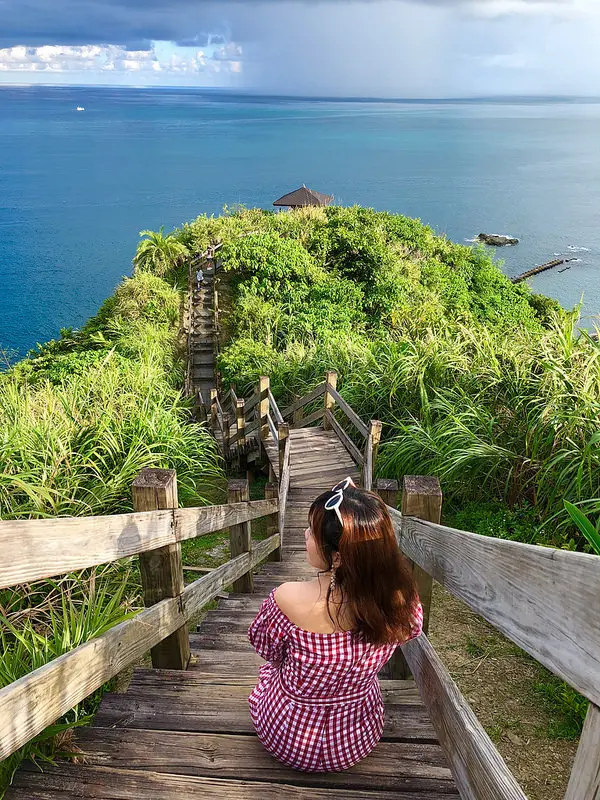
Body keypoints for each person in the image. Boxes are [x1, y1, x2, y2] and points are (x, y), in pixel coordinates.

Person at [248, 477, 423, 773]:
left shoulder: (287, 599)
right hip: (356, 738)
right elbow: (412, 630)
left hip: (287, 736)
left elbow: (269, 651)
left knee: (270, 674)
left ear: (338, 557)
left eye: (312, 533)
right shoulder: (398, 600)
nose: (305, 535)